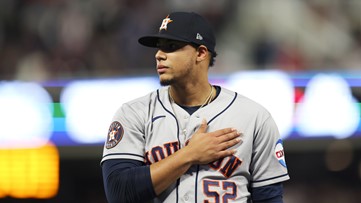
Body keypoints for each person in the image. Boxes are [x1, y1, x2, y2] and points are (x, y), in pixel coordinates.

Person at [101, 11, 290, 203]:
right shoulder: (134, 113)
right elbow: (118, 192)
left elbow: (269, 198)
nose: (159, 55)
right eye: (159, 48)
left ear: (200, 53)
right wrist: (189, 154)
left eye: (171, 47)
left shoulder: (254, 117)